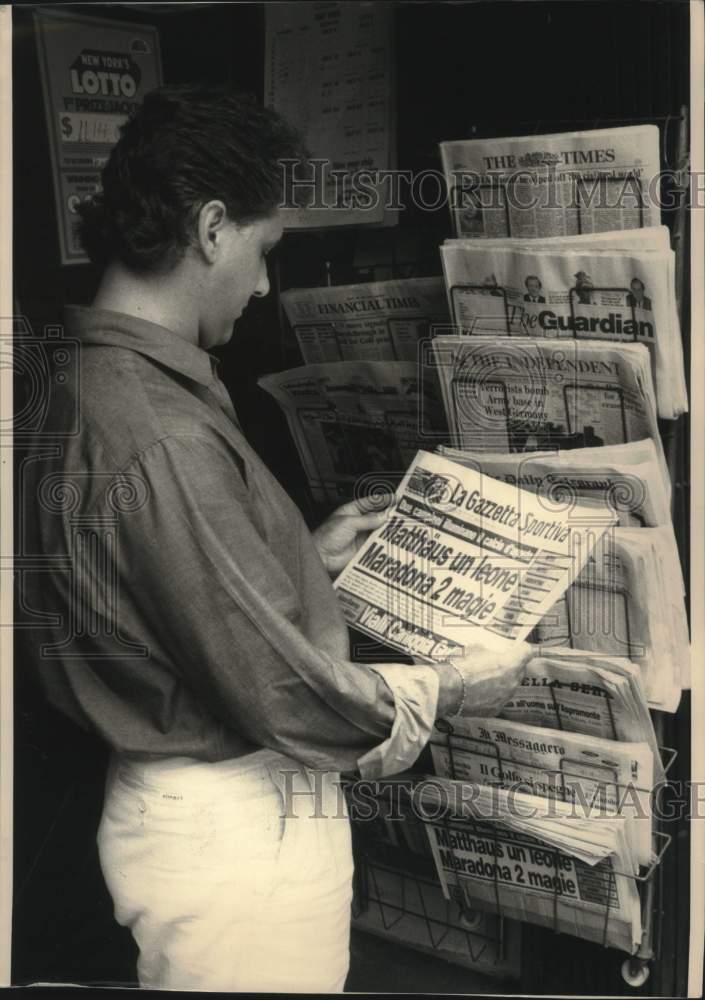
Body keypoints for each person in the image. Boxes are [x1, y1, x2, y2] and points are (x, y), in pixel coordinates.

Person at [20, 85, 530, 993]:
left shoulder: (87, 380)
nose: (262, 287)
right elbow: (280, 692)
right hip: (236, 836)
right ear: (212, 228)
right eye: (264, 252)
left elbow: (158, 599)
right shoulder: (158, 429)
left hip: (182, 816)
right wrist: (450, 689)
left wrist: (297, 554)